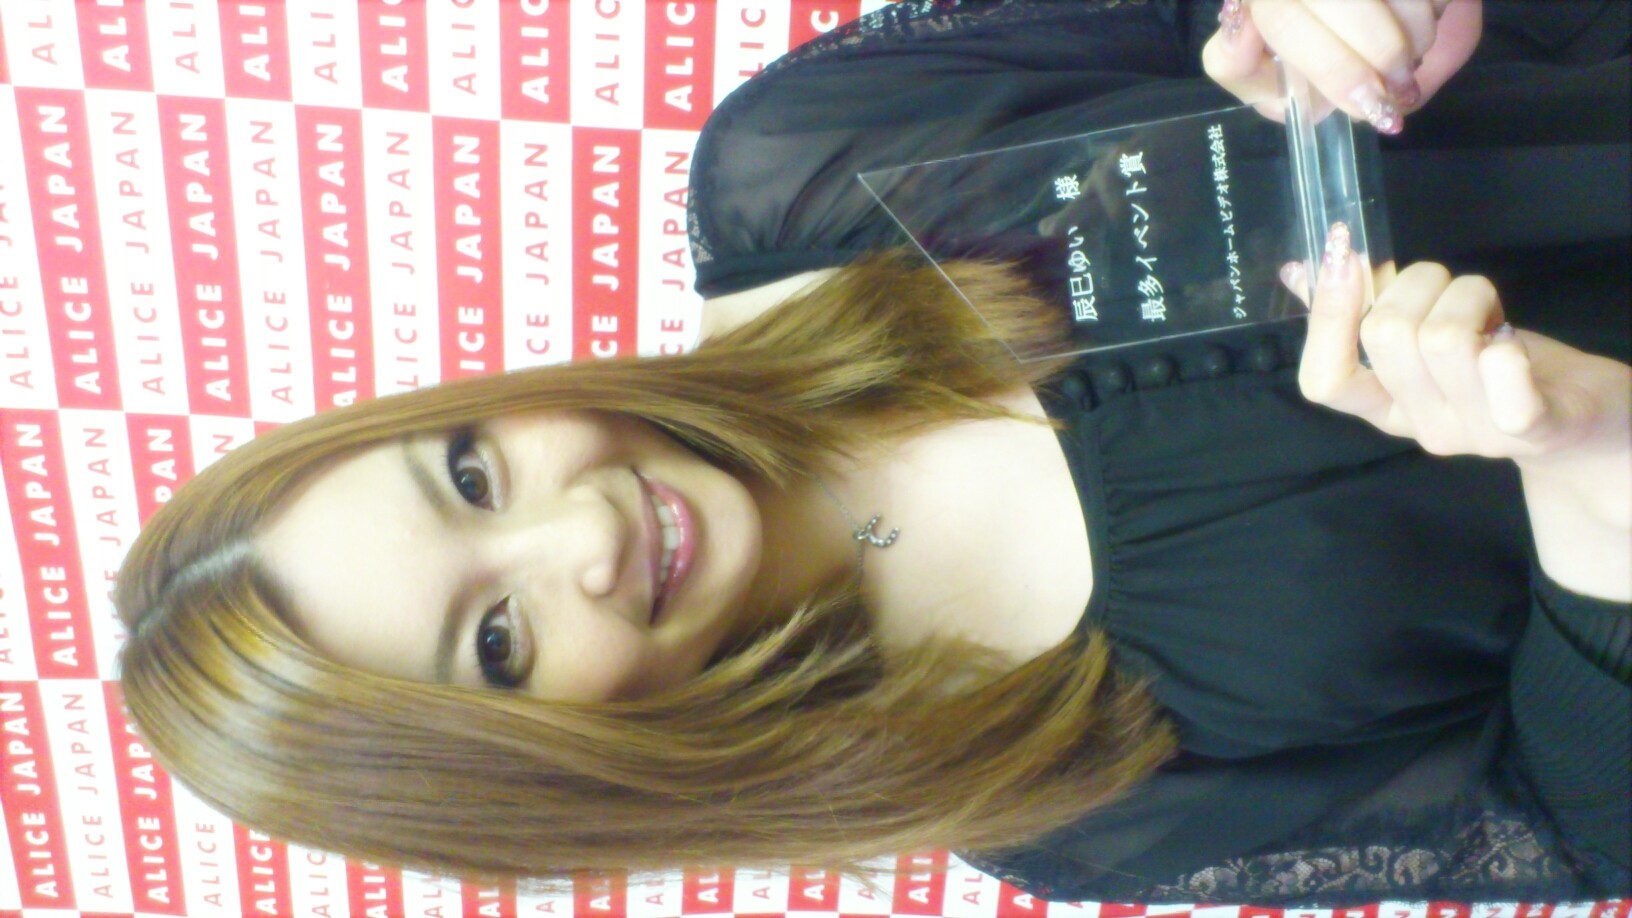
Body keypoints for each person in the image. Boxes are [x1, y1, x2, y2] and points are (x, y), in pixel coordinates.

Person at [114, 0, 1630, 905]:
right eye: (499, 640)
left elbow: (1201, 16)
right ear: (554, 774)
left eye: (469, 475)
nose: (583, 534)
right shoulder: (1056, 796)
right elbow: (1581, 824)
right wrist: (1588, 463)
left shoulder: (799, 167)